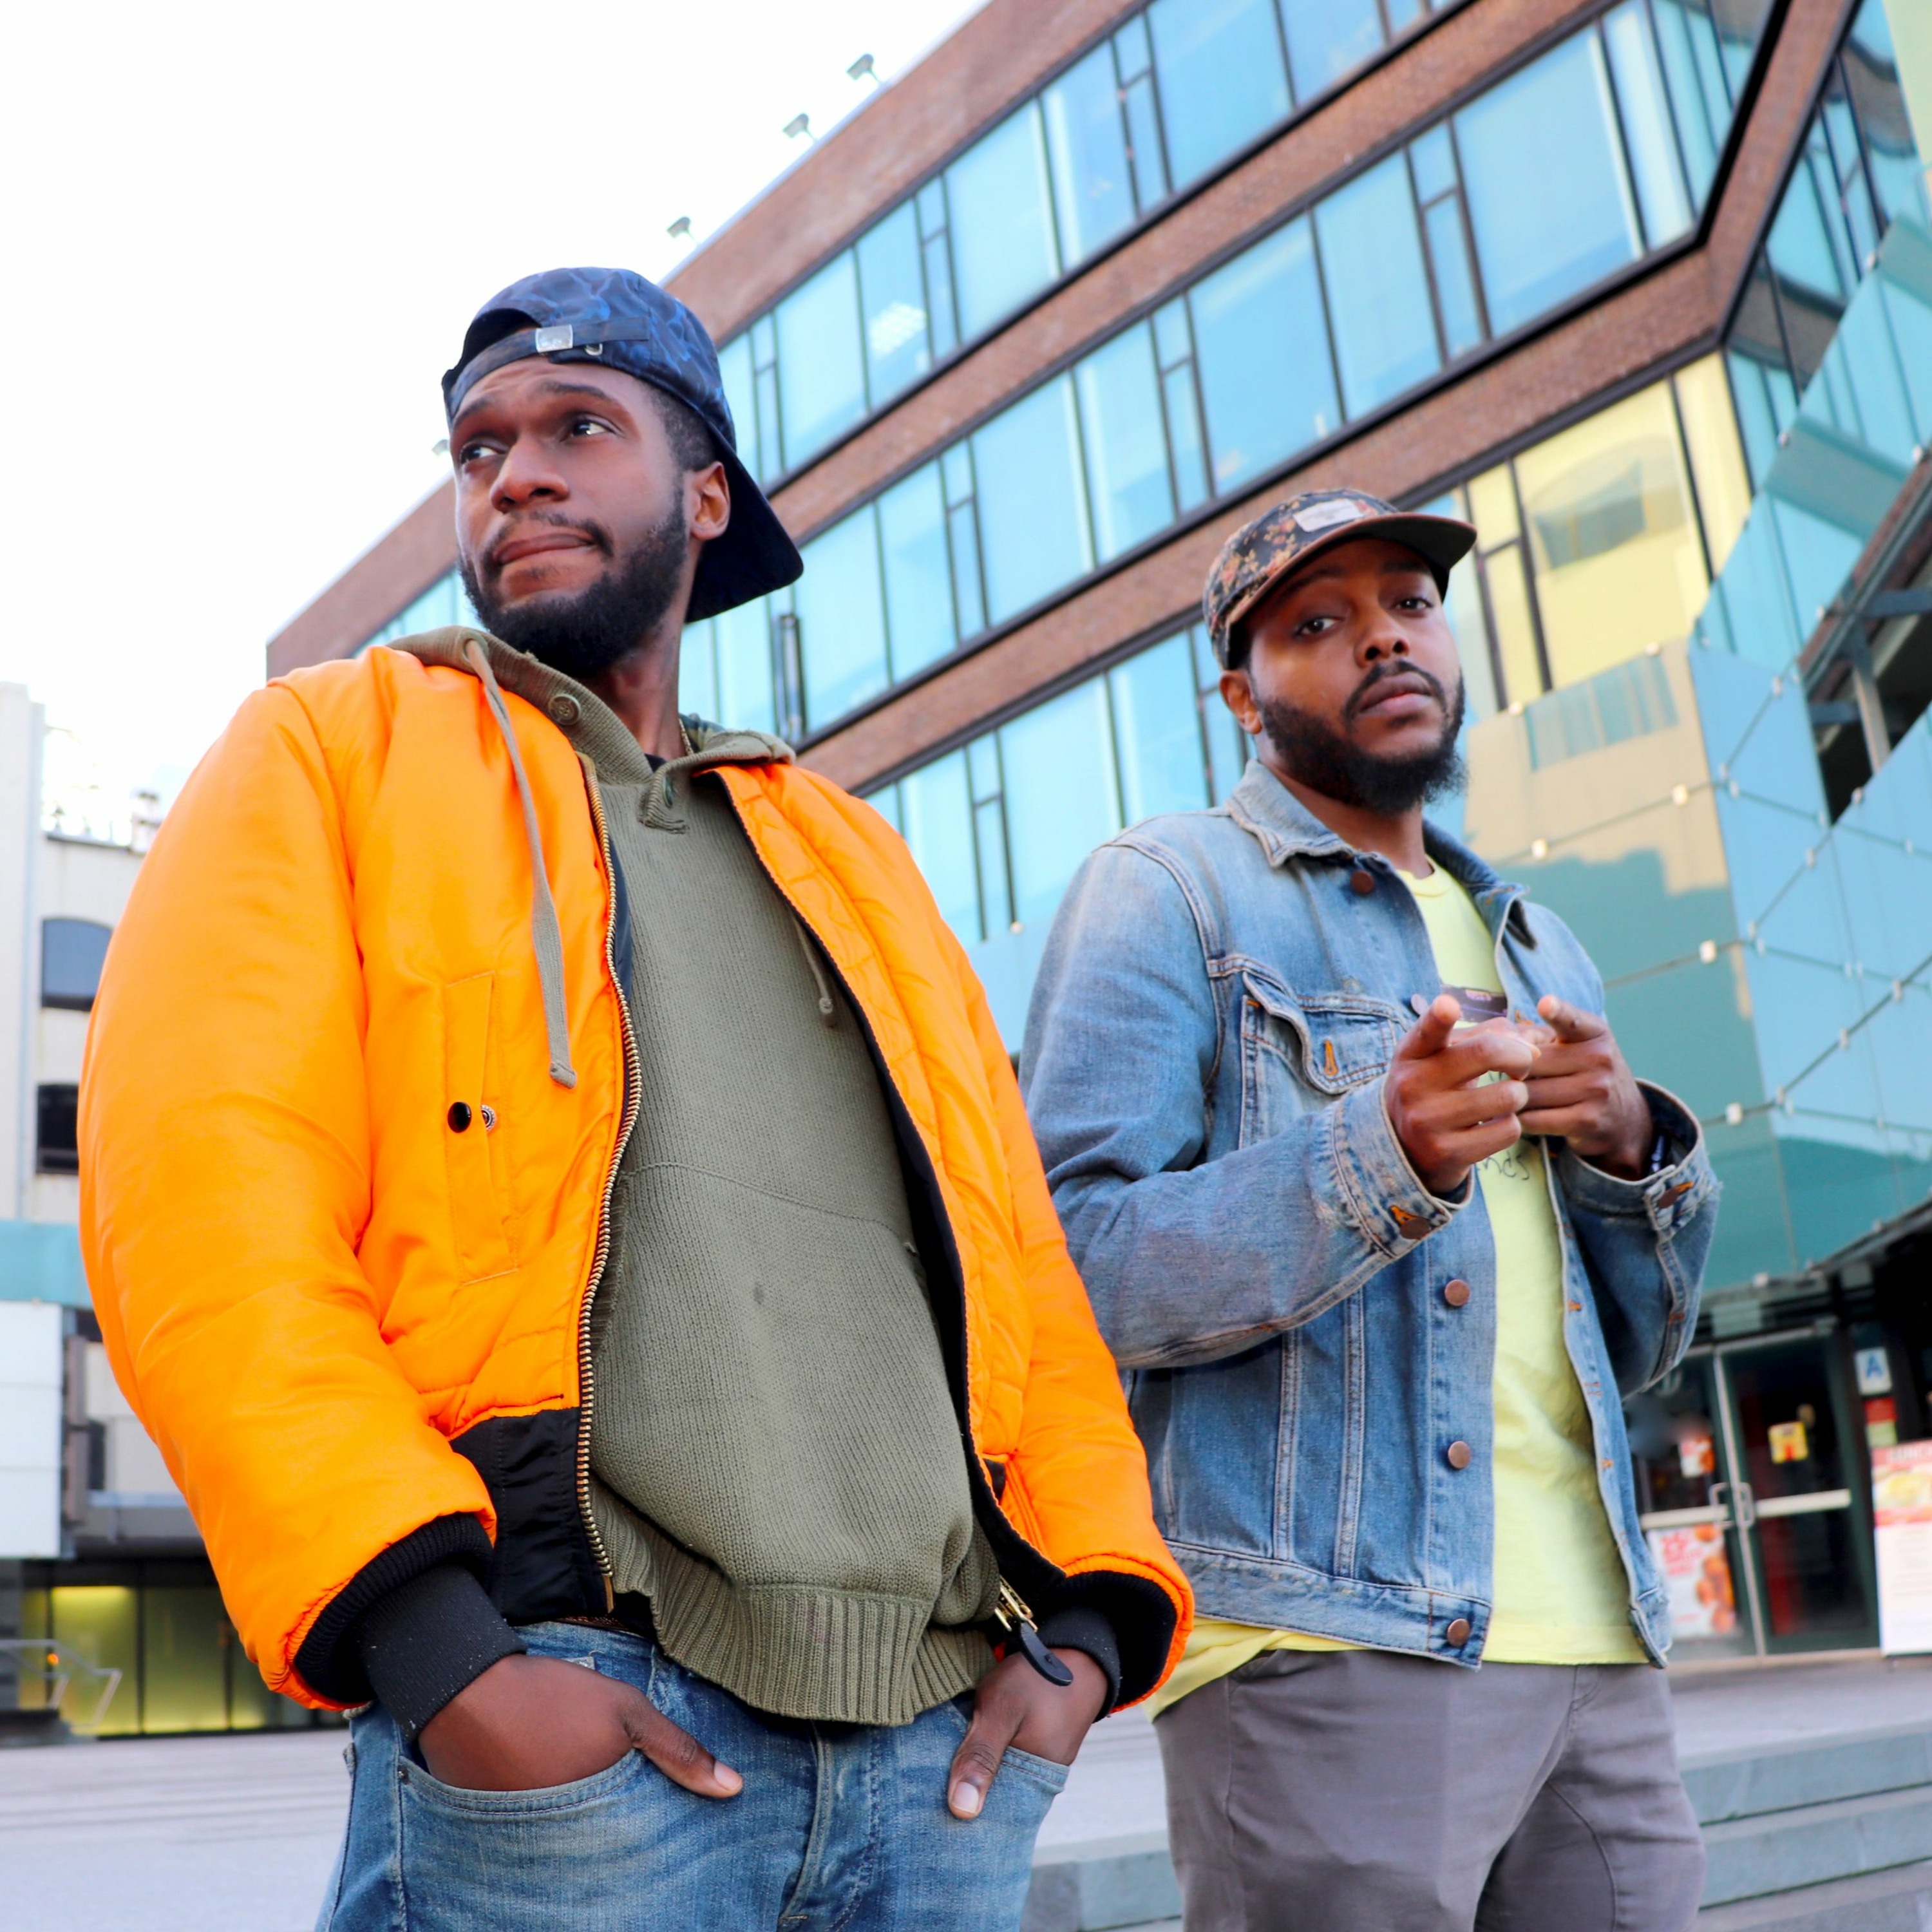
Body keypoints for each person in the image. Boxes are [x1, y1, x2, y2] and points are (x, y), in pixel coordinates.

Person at [80, 267, 1189, 1932]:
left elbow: (1020, 1263)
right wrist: (443, 1657)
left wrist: (1092, 1625)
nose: (514, 475)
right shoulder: (328, 750)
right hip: (566, 1744)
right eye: (479, 449)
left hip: (941, 1763)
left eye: (578, 427)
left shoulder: (854, 857)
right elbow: (204, 1206)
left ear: (707, 495)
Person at [1020, 489, 1718, 1931]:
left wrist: (1630, 1145)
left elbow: (1639, 1348)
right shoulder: (1169, 890)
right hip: (1328, 1647)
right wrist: (1380, 1156)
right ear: (1241, 695)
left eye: (1409, 602)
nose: (1384, 639)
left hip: (1601, 1644)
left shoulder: (1538, 939)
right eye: (1317, 623)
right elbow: (1073, 1271)